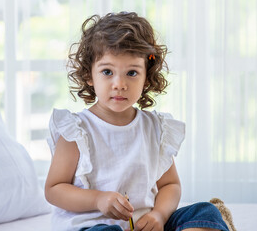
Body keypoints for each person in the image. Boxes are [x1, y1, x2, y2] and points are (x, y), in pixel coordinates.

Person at [45, 12, 229, 231]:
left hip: (146, 225)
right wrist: (98, 200)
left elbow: (170, 185)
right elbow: (54, 189)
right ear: (89, 75)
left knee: (205, 212)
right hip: (94, 225)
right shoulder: (77, 131)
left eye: (132, 72)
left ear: (146, 76)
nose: (119, 84)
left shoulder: (155, 129)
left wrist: (159, 216)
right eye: (107, 71)